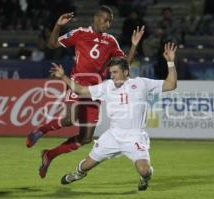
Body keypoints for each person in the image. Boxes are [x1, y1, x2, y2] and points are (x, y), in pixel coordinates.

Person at [26, 5, 145, 178]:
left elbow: (124, 64)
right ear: (97, 18)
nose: (108, 24)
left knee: (86, 138)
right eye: (106, 20)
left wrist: (134, 45)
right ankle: (40, 131)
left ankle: (49, 155)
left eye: (110, 22)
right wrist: (58, 26)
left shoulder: (111, 41)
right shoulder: (79, 33)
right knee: (69, 119)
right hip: (77, 82)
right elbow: (52, 44)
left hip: (95, 90)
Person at [49, 42, 177, 191]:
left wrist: (170, 62)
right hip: (113, 136)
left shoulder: (141, 83)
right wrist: (63, 76)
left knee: (145, 170)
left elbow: (171, 84)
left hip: (134, 137)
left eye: (115, 72)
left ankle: (144, 179)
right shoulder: (107, 86)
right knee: (86, 166)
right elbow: (81, 90)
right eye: (111, 72)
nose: (112, 75)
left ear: (126, 72)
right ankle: (77, 174)